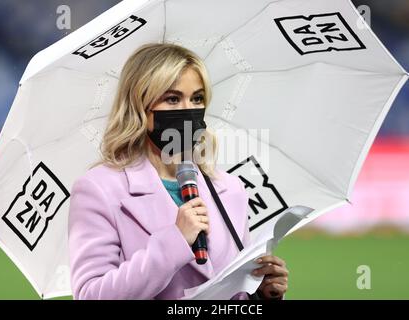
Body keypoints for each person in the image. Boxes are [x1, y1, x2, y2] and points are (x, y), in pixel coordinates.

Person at [68, 43, 289, 300]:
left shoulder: (229, 189)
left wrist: (260, 293)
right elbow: (91, 295)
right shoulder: (99, 189)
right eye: (172, 99)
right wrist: (175, 240)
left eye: (196, 98)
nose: (188, 110)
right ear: (140, 105)